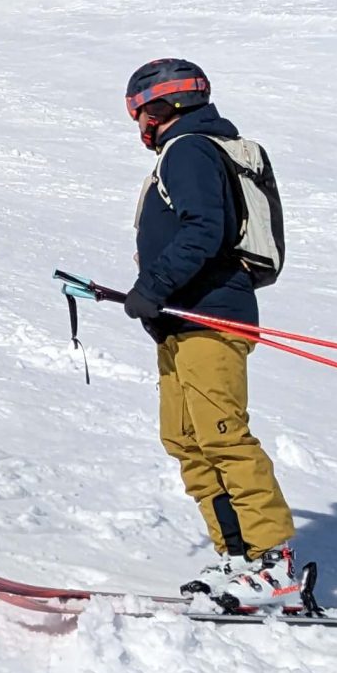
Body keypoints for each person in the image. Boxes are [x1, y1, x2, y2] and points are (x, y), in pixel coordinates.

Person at [120, 57, 299, 610]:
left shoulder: (191, 149)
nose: (139, 125)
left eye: (139, 111)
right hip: (183, 318)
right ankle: (239, 554)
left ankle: (273, 563)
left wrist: (153, 285)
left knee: (222, 434)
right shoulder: (189, 149)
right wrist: (157, 301)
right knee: (186, 439)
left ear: (161, 105)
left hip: (211, 317)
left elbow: (205, 230)